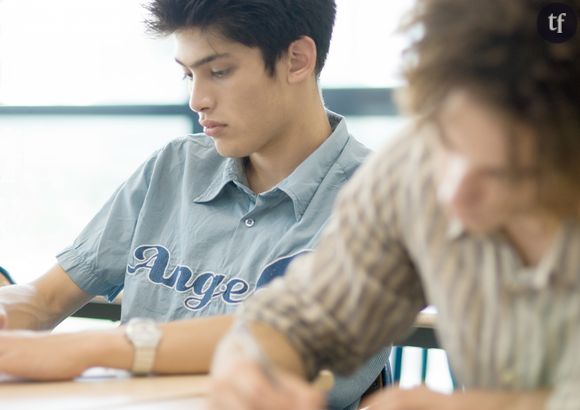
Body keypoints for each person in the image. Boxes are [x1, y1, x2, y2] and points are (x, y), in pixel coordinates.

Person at [0, 1, 391, 408]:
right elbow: (44, 298)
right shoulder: (174, 167)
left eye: (218, 72)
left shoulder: (378, 199)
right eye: (188, 75)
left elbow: (293, 340)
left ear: (297, 60)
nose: (197, 100)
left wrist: (90, 348)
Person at [208, 0, 580, 409]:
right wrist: (247, 362)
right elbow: (304, 316)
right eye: (446, 142)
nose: (453, 194)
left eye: (508, 175)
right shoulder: (409, 170)